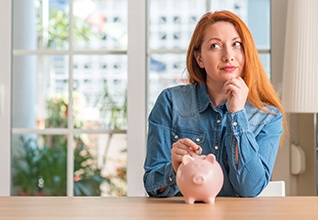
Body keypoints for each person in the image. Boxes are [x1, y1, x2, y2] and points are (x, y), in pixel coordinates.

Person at [143, 10, 285, 198]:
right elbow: (152, 184)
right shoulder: (170, 102)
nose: (228, 56)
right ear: (199, 58)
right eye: (215, 46)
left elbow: (250, 189)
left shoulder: (267, 116)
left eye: (236, 44)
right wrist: (174, 170)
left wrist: (237, 115)